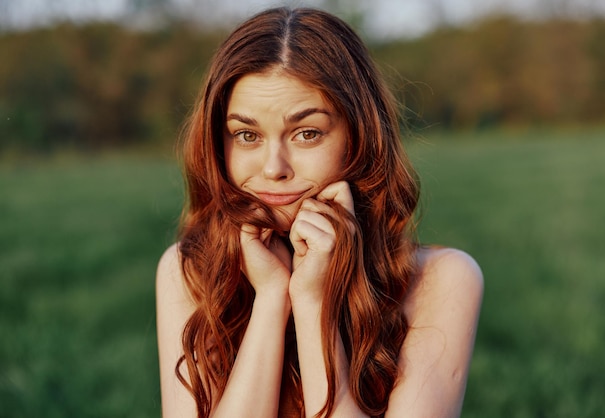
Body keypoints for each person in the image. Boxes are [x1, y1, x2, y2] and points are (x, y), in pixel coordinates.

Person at [156, 6, 483, 418]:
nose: (274, 168)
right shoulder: (190, 271)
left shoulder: (442, 280)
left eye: (307, 133)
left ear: (359, 138)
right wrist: (273, 301)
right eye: (247, 135)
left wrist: (313, 305)